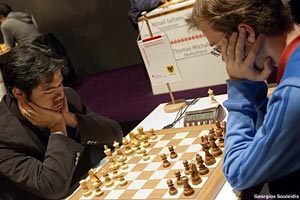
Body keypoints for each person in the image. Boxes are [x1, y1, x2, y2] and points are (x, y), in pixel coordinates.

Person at [188, 0, 300, 196]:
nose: (224, 58)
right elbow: (272, 131)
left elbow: (239, 173)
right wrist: (252, 85)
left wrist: (240, 85)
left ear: (247, 33)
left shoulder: (294, 92)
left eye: (218, 48)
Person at [0, 44, 123, 200]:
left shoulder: (67, 97)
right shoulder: (3, 135)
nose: (59, 94)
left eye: (59, 84)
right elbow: (52, 187)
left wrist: (70, 119)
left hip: (89, 187)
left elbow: (115, 135)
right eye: (49, 90)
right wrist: (57, 126)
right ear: (20, 94)